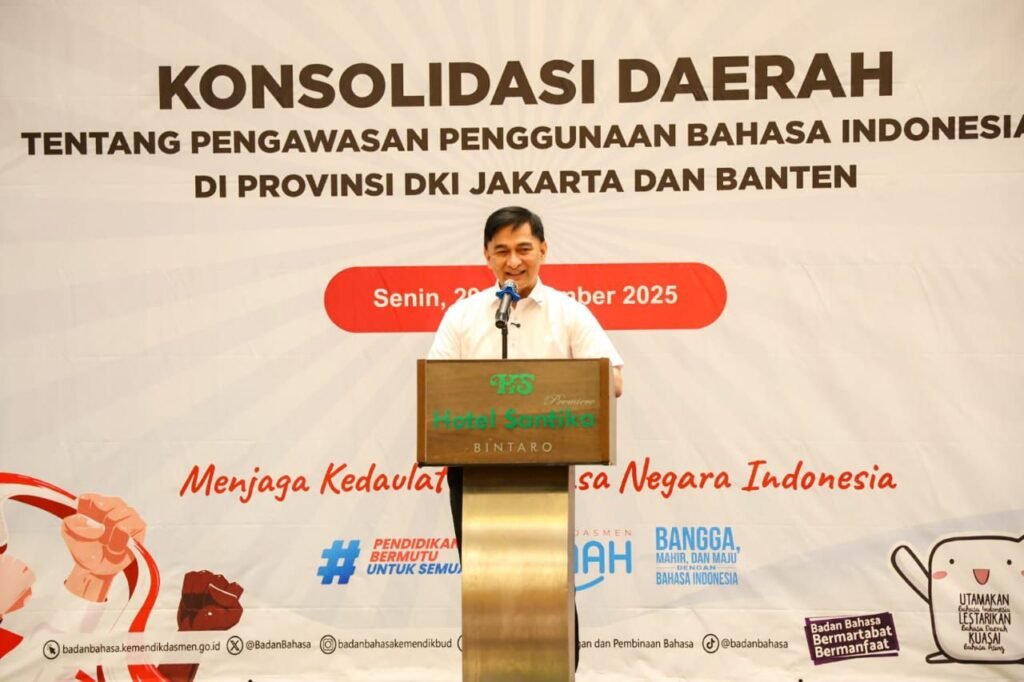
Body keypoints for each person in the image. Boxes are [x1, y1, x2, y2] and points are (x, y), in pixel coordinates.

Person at [427, 205, 624, 670]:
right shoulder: (463, 315)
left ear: (543, 250)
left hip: (546, 468)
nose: (513, 261)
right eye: (501, 251)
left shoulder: (569, 313)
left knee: (549, 581)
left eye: (523, 249)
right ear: (486, 256)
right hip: (473, 470)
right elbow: (436, 386)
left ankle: (558, 674)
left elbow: (613, 381)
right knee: (485, 582)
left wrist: (549, 391)